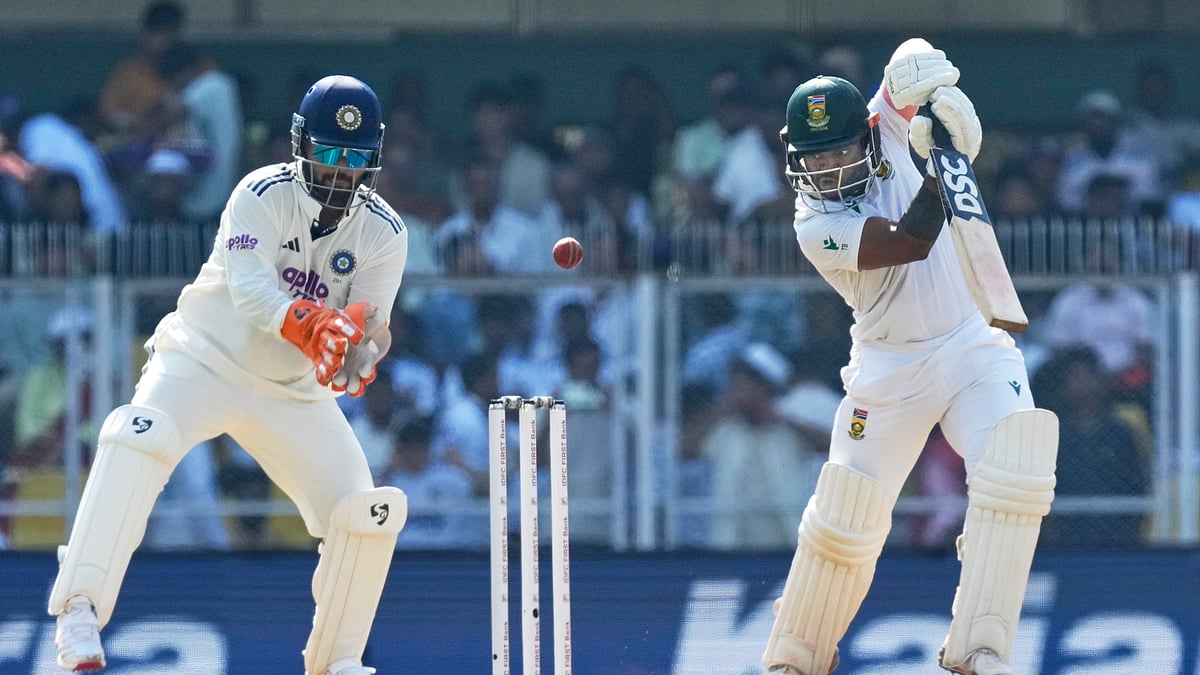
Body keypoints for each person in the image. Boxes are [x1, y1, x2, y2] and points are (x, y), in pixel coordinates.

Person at [48, 75, 409, 675]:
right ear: (301, 145)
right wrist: (309, 324)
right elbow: (249, 290)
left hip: (292, 394)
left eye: (355, 158)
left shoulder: (385, 232)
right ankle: (80, 609)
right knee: (138, 434)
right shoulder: (260, 193)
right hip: (203, 359)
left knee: (365, 512)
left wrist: (359, 356)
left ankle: (340, 659)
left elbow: (373, 324)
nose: (342, 170)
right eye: (329, 152)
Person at [761, 39, 1059, 675]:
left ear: (866, 133)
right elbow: (910, 242)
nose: (831, 168)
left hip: (974, 344)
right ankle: (796, 655)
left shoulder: (886, 122)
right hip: (888, 371)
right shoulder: (813, 224)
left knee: (1018, 470)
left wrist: (930, 87)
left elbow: (910, 66)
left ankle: (979, 647)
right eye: (815, 157)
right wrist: (940, 171)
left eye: (841, 149)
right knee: (847, 513)